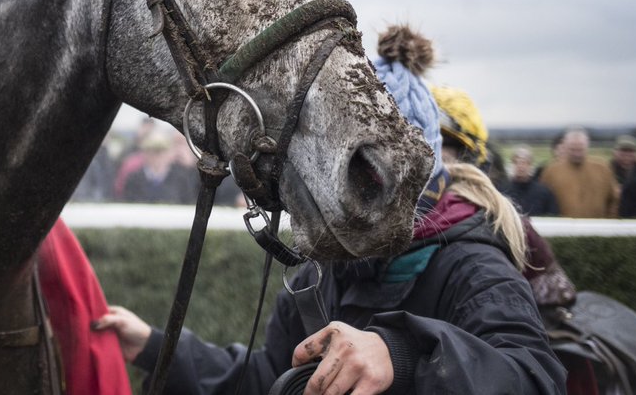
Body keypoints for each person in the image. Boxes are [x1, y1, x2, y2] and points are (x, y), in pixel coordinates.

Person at [94, 23, 566, 394]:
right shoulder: (322, 269)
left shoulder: (472, 265)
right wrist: (156, 348)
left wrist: (398, 356)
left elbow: (535, 377)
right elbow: (269, 379)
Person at [538, 128, 619, 218]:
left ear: (587, 146)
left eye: (580, 149)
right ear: (565, 147)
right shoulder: (551, 171)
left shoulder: (602, 169)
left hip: (597, 227)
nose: (577, 154)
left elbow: (614, 200)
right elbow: (542, 200)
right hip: (563, 228)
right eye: (572, 149)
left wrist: (609, 222)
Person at [122, 125, 194, 204]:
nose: (157, 155)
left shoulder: (181, 178)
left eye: (162, 150)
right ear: (144, 153)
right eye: (152, 150)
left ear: (169, 152)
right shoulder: (133, 179)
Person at [504, 145, 561, 217]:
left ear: (531, 166)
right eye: (517, 162)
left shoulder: (543, 192)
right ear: (512, 165)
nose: (521, 166)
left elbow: (552, 215)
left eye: (525, 162)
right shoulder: (503, 191)